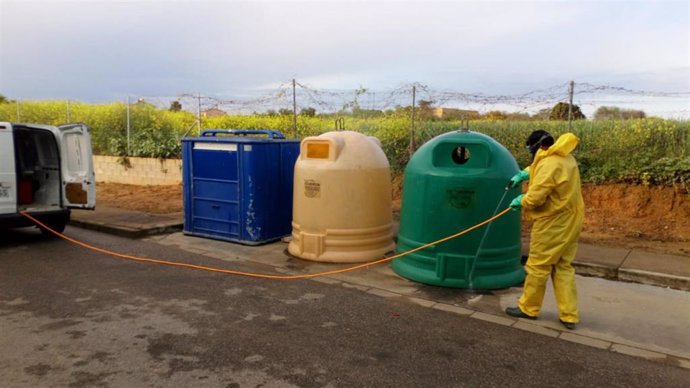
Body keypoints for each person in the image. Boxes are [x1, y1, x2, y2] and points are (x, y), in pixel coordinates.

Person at [505, 130, 584, 330]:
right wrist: (525, 173)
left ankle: (528, 308)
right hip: (571, 218)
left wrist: (520, 200)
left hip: (553, 221)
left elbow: (535, 198)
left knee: (538, 266)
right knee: (563, 266)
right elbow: (543, 166)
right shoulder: (564, 156)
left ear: (536, 146)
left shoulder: (550, 164)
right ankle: (569, 315)